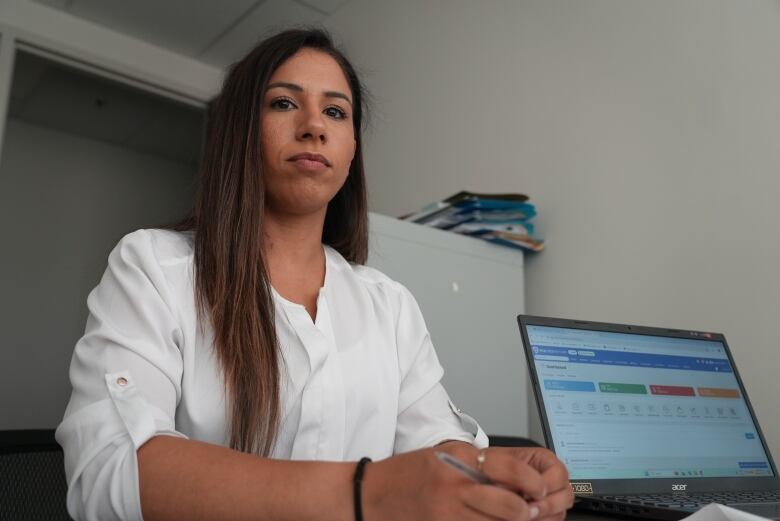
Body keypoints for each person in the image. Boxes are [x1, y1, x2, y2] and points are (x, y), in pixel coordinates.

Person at [55, 28, 573, 521]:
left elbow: (438, 448)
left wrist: (496, 476)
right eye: (283, 103)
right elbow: (109, 474)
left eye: (335, 111)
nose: (314, 125)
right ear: (241, 130)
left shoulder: (388, 305)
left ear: (351, 151)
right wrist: (370, 493)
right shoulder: (153, 267)